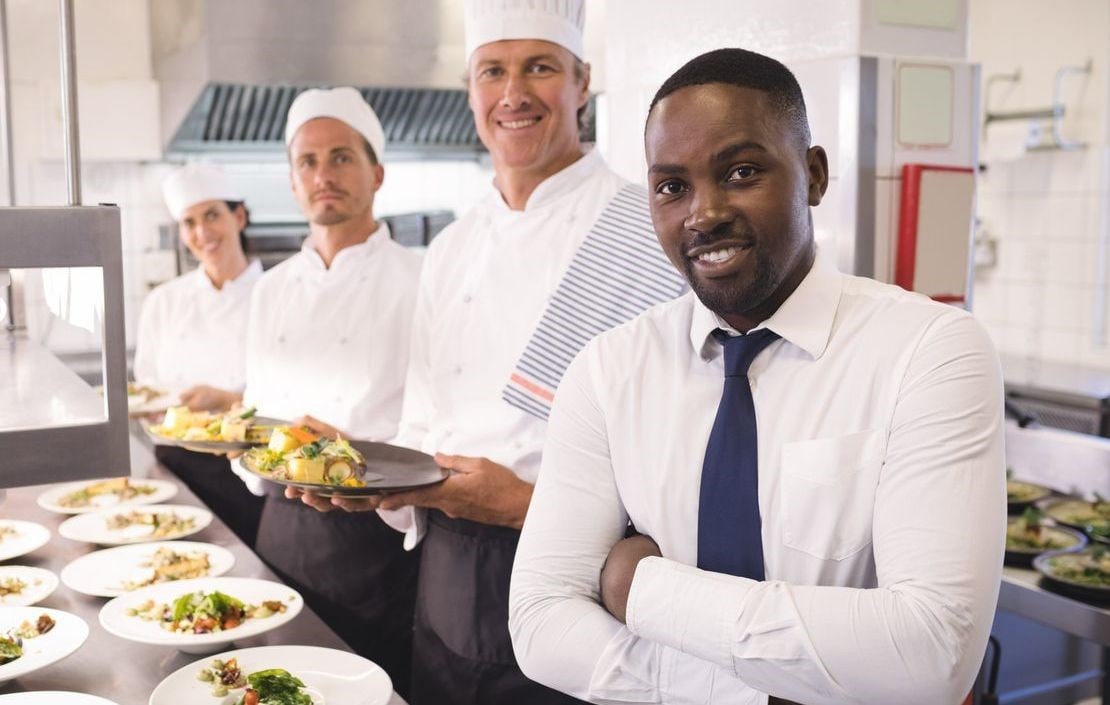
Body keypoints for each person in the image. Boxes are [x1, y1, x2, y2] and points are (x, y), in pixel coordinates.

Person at [509, 48, 1005, 705]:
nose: (702, 213)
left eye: (740, 171)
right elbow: (541, 621)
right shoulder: (608, 370)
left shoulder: (930, 352)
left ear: (814, 174)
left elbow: (934, 650)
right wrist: (735, 691)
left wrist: (642, 590)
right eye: (671, 186)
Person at [290, 2, 682, 703]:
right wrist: (360, 470)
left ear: (581, 82)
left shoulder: (644, 231)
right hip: (443, 576)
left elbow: (677, 467)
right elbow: (420, 425)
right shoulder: (451, 248)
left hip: (576, 578)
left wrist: (524, 504)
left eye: (540, 67)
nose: (514, 93)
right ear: (471, 91)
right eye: (492, 71)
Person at [234, 86, 422, 696]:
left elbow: (437, 428)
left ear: (377, 172)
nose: (324, 175)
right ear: (292, 183)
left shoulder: (422, 278)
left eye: (342, 157)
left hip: (376, 538)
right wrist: (251, 442)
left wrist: (350, 452)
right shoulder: (271, 288)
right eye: (307, 163)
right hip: (279, 527)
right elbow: (254, 416)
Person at [135, 163, 265, 546]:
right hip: (174, 467)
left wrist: (225, 400)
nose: (202, 233)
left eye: (212, 215)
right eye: (189, 222)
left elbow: (299, 399)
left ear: (238, 216)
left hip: (249, 469)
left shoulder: (275, 295)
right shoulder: (163, 301)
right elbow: (147, 391)